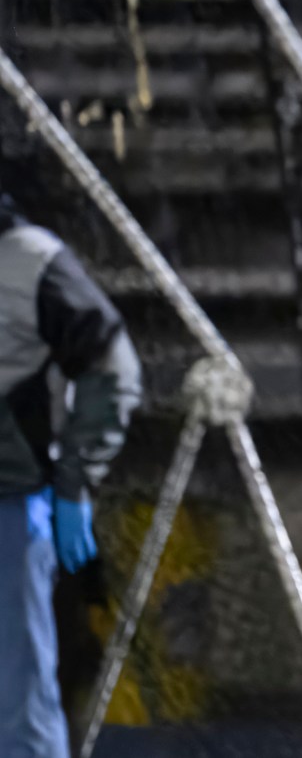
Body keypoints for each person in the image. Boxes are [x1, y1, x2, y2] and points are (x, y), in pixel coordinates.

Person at [0, 192, 141, 758]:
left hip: (8, 506)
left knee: (19, 701)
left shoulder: (28, 258)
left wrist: (75, 481)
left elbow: (113, 365)